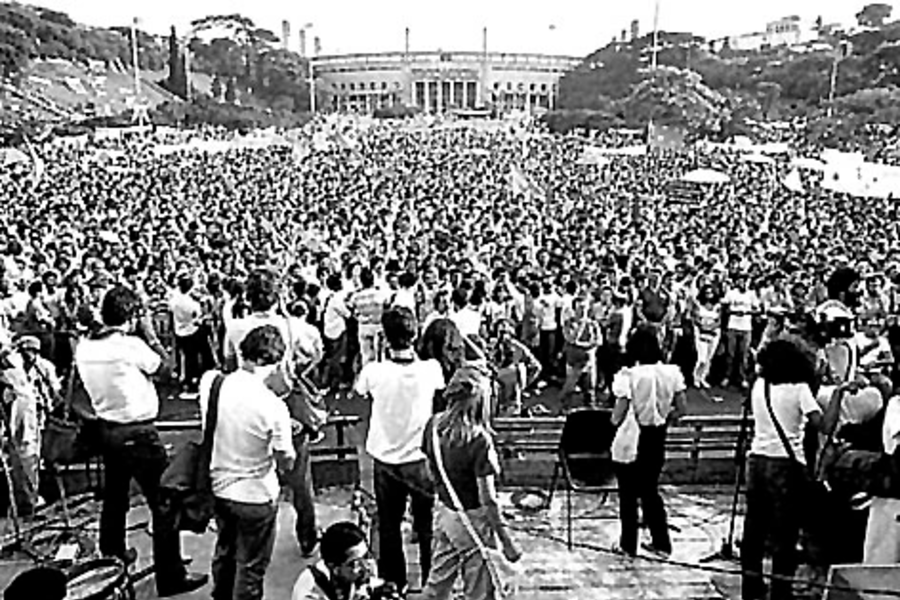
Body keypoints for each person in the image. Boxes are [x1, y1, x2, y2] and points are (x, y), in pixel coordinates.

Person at [74, 285, 207, 597]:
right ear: (132, 316)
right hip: (138, 434)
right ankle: (171, 576)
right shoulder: (130, 346)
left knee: (115, 500)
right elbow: (168, 371)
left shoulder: (84, 345)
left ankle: (112, 561)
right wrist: (152, 336)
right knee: (165, 504)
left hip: (107, 429)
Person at [224, 268, 322, 557]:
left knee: (245, 468)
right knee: (300, 480)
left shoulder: (235, 327)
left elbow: (227, 363)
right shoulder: (294, 327)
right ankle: (307, 536)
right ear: (277, 296)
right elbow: (316, 351)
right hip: (284, 404)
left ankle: (244, 537)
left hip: (245, 404)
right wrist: (296, 372)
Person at [741, 338, 844, 600]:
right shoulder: (799, 390)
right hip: (786, 465)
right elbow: (825, 426)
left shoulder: (759, 385)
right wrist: (839, 395)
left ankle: (751, 589)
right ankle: (780, 591)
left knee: (754, 531)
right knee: (784, 535)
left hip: (756, 461)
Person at [353, 306, 444, 594]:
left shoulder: (374, 371)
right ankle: (432, 581)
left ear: (385, 337)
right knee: (426, 525)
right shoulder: (431, 369)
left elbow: (360, 390)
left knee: (390, 525)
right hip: (419, 460)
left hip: (386, 460)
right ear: (414, 334)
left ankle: (396, 584)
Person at [202, 324, 296, 600]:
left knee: (225, 551)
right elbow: (286, 461)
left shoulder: (211, 382)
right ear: (276, 362)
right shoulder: (274, 406)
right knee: (251, 567)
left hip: (218, 486)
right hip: (256, 494)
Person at [420, 366, 522, 600]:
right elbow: (489, 500)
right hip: (473, 520)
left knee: (438, 581)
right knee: (479, 589)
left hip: (446, 512)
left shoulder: (433, 425)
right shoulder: (479, 440)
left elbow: (430, 473)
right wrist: (506, 541)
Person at [610, 325, 687, 557]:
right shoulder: (672, 373)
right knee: (650, 491)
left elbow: (617, 417)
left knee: (627, 494)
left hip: (631, 437)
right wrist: (663, 416)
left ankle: (628, 544)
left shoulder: (628, 376)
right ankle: (662, 543)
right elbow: (682, 409)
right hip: (657, 435)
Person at [292, 521, 391, 600]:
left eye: (366, 556)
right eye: (354, 564)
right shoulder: (309, 593)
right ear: (334, 568)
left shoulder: (359, 573)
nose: (366, 567)